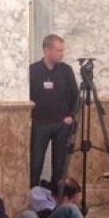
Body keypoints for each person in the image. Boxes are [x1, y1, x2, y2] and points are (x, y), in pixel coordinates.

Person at [29, 34, 79, 189]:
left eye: (62, 51)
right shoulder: (33, 70)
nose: (61, 54)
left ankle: (57, 196)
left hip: (61, 124)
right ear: (46, 50)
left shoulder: (66, 70)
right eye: (58, 51)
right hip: (40, 123)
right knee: (35, 163)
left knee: (59, 164)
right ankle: (33, 195)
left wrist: (71, 116)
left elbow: (76, 96)